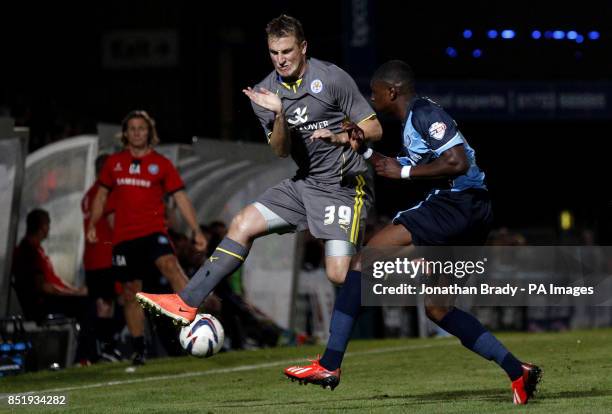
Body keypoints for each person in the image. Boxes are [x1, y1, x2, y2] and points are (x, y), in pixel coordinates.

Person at [284, 60, 542, 405]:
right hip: (472, 212)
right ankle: (518, 372)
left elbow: (457, 162)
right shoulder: (411, 123)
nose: (370, 98)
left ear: (392, 91)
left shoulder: (423, 113)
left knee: (361, 263)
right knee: (438, 309)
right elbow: (394, 166)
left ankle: (330, 365)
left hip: (458, 204)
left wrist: (404, 175)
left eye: (374, 92)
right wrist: (358, 146)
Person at [135, 15, 382, 333]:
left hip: (342, 185)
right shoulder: (265, 92)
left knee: (338, 273)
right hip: (304, 183)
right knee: (242, 223)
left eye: (287, 51)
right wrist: (279, 114)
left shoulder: (331, 78)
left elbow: (374, 127)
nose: (281, 60)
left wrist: (341, 136)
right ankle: (187, 301)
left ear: (303, 47)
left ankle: (412, 271)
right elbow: (280, 150)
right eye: (274, 52)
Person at [86, 110, 207, 365]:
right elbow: (101, 196)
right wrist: (94, 223)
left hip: (153, 233)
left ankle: (197, 320)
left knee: (170, 265)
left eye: (142, 128)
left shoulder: (161, 164)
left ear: (149, 132)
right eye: (132, 128)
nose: (137, 132)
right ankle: (139, 348)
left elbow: (180, 197)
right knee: (131, 292)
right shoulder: (114, 163)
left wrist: (195, 229)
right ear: (126, 134)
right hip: (124, 239)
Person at [12, 209, 95, 364]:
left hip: (49, 300)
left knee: (88, 301)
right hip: (42, 305)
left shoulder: (36, 249)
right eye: (48, 224)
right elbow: (44, 287)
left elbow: (52, 281)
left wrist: (73, 291)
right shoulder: (29, 252)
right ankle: (84, 357)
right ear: (43, 226)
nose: (49, 228)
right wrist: (73, 294)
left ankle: (89, 354)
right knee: (88, 306)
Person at [81, 153, 122, 362]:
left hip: (91, 259)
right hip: (106, 257)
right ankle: (107, 347)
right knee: (109, 303)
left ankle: (99, 349)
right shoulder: (106, 194)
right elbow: (115, 225)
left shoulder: (88, 195)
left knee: (99, 304)